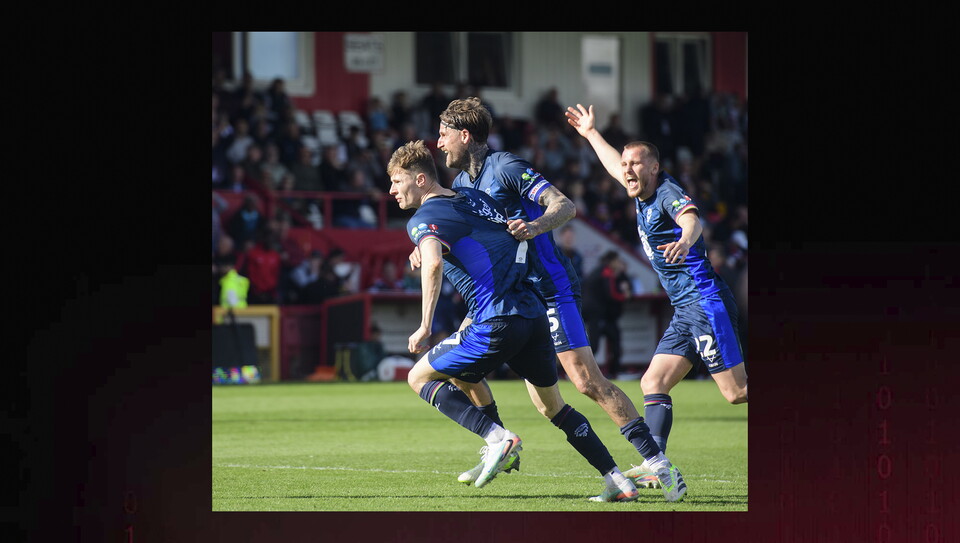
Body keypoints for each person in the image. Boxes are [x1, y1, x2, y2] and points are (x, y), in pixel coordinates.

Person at [412, 97, 685, 497]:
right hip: (512, 295)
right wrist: (424, 247)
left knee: (586, 381)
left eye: (443, 134)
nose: (438, 143)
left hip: (550, 288)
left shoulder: (505, 167)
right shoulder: (462, 187)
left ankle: (658, 463)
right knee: (512, 391)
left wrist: (535, 225)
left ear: (465, 135)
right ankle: (501, 444)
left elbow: (565, 205)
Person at [566, 103, 747, 482]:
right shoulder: (640, 191)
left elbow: (691, 219)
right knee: (652, 382)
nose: (627, 170)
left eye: (635, 164)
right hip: (684, 309)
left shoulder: (666, 192)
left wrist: (684, 239)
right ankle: (655, 463)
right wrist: (591, 134)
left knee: (736, 393)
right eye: (626, 164)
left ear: (654, 168)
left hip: (704, 304)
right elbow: (613, 165)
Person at [582, 250, 632, 379]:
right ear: (612, 261)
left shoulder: (601, 271)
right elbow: (612, 294)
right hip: (596, 313)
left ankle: (613, 371)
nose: (619, 264)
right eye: (617, 261)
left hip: (599, 313)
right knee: (594, 345)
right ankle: (582, 372)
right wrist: (624, 296)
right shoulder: (606, 272)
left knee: (613, 340)